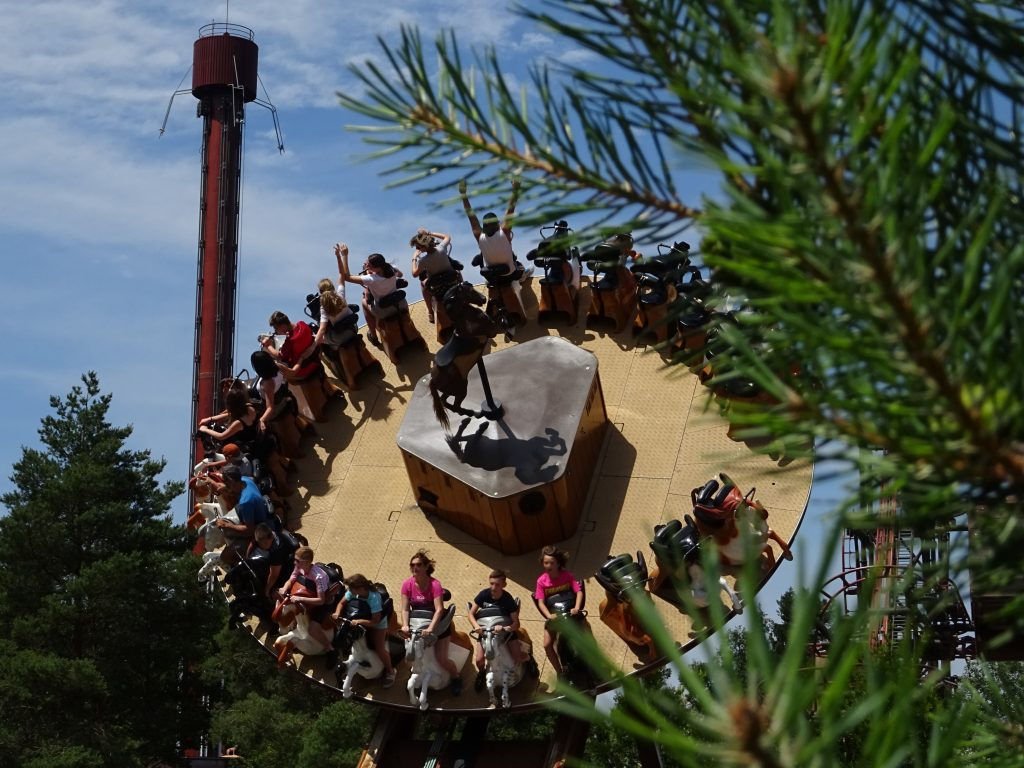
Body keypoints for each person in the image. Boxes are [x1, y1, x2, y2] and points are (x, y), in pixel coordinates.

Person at [400, 549, 462, 694]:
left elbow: (439, 609)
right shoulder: (407, 584)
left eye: (419, 565)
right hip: (416, 624)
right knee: (409, 655)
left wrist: (431, 629)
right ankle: (415, 675)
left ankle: (456, 677)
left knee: (441, 659)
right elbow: (405, 609)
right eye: (412, 565)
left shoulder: (435, 584)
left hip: (436, 624)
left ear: (426, 567)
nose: (415, 568)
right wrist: (405, 625)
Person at [458, 178, 530, 285]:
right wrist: (515, 189)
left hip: (492, 278)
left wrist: (463, 194)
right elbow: (510, 209)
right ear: (497, 224)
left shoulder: (479, 235)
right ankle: (522, 277)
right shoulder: (504, 231)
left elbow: (471, 215)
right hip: (510, 275)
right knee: (522, 266)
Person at [468, 568, 529, 692]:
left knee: (517, 657)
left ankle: (530, 660)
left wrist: (506, 628)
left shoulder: (508, 599)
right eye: (491, 583)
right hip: (486, 631)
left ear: (504, 585)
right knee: (479, 660)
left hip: (505, 633)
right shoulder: (483, 595)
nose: (493, 587)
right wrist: (476, 626)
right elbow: (470, 614)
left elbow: (516, 623)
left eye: (497, 584)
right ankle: (481, 673)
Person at [334, 573, 396, 687]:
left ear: (361, 588)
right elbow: (341, 603)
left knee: (379, 648)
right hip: (357, 619)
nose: (349, 591)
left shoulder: (374, 598)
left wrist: (359, 621)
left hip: (376, 624)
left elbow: (375, 620)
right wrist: (337, 613)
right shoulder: (353, 593)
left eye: (352, 588)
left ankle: (390, 671)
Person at [336, 242, 402, 347]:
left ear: (376, 267)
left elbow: (347, 277)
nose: (366, 265)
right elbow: (400, 274)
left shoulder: (371, 279)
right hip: (399, 302)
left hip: (383, 308)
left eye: (368, 265)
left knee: (364, 302)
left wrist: (344, 255)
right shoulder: (391, 268)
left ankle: (373, 335)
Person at [533, 545, 584, 677]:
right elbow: (541, 603)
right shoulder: (541, 582)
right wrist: (549, 615)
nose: (548, 565)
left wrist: (576, 608)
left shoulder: (567, 576)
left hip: (571, 613)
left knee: (587, 634)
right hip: (555, 617)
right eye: (546, 562)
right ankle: (560, 672)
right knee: (547, 644)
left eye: (552, 563)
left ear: (558, 563)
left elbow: (579, 592)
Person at [276, 545, 334, 655]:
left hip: (323, 603)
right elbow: (291, 580)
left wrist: (300, 598)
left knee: (312, 629)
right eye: (295, 559)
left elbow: (321, 600)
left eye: (298, 561)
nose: (295, 563)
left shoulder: (319, 577)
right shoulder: (299, 567)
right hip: (307, 596)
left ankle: (328, 647)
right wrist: (284, 588)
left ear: (307, 562)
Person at [213, 464, 272, 563]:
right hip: (256, 511)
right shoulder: (245, 479)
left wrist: (228, 525)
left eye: (226, 482)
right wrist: (227, 489)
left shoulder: (245, 502)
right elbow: (239, 491)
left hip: (258, 529)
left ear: (232, 481)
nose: (225, 484)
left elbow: (249, 530)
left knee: (225, 556)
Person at [409, 228, 458, 323]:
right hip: (451, 278)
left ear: (423, 247)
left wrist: (414, 259)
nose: (418, 249)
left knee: (422, 284)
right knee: (458, 272)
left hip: (437, 284)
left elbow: (414, 274)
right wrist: (429, 233)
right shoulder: (441, 248)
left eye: (418, 247)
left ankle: (430, 311)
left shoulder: (423, 261)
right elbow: (447, 237)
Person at [259, 311, 320, 380]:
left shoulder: (290, 342)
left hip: (304, 370)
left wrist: (268, 345)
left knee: (278, 367)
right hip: (316, 359)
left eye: (276, 328)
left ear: (283, 326)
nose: (276, 331)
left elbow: (279, 355)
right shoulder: (302, 324)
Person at [249, 521, 296, 601]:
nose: (260, 546)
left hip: (289, 567)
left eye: (262, 544)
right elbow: (253, 543)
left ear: (267, 540)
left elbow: (274, 575)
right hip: (285, 557)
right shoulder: (271, 533)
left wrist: (267, 590)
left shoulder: (276, 551)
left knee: (274, 593)